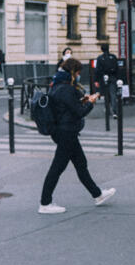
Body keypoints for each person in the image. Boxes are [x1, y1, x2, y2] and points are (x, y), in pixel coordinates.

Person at [38, 58, 116, 214]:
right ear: (73, 72)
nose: (79, 75)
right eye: (79, 72)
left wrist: (84, 99)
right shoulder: (67, 89)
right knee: (57, 167)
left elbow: (67, 104)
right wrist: (91, 103)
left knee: (81, 163)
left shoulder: (57, 85)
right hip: (66, 132)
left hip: (63, 131)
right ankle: (45, 203)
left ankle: (98, 194)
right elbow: (79, 112)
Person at [93, 43, 119, 113]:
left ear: (101, 49)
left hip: (103, 78)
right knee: (113, 94)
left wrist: (96, 80)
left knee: (106, 94)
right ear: (108, 48)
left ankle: (107, 109)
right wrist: (117, 78)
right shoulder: (113, 57)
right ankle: (114, 109)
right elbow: (117, 68)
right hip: (113, 77)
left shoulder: (100, 58)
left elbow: (97, 70)